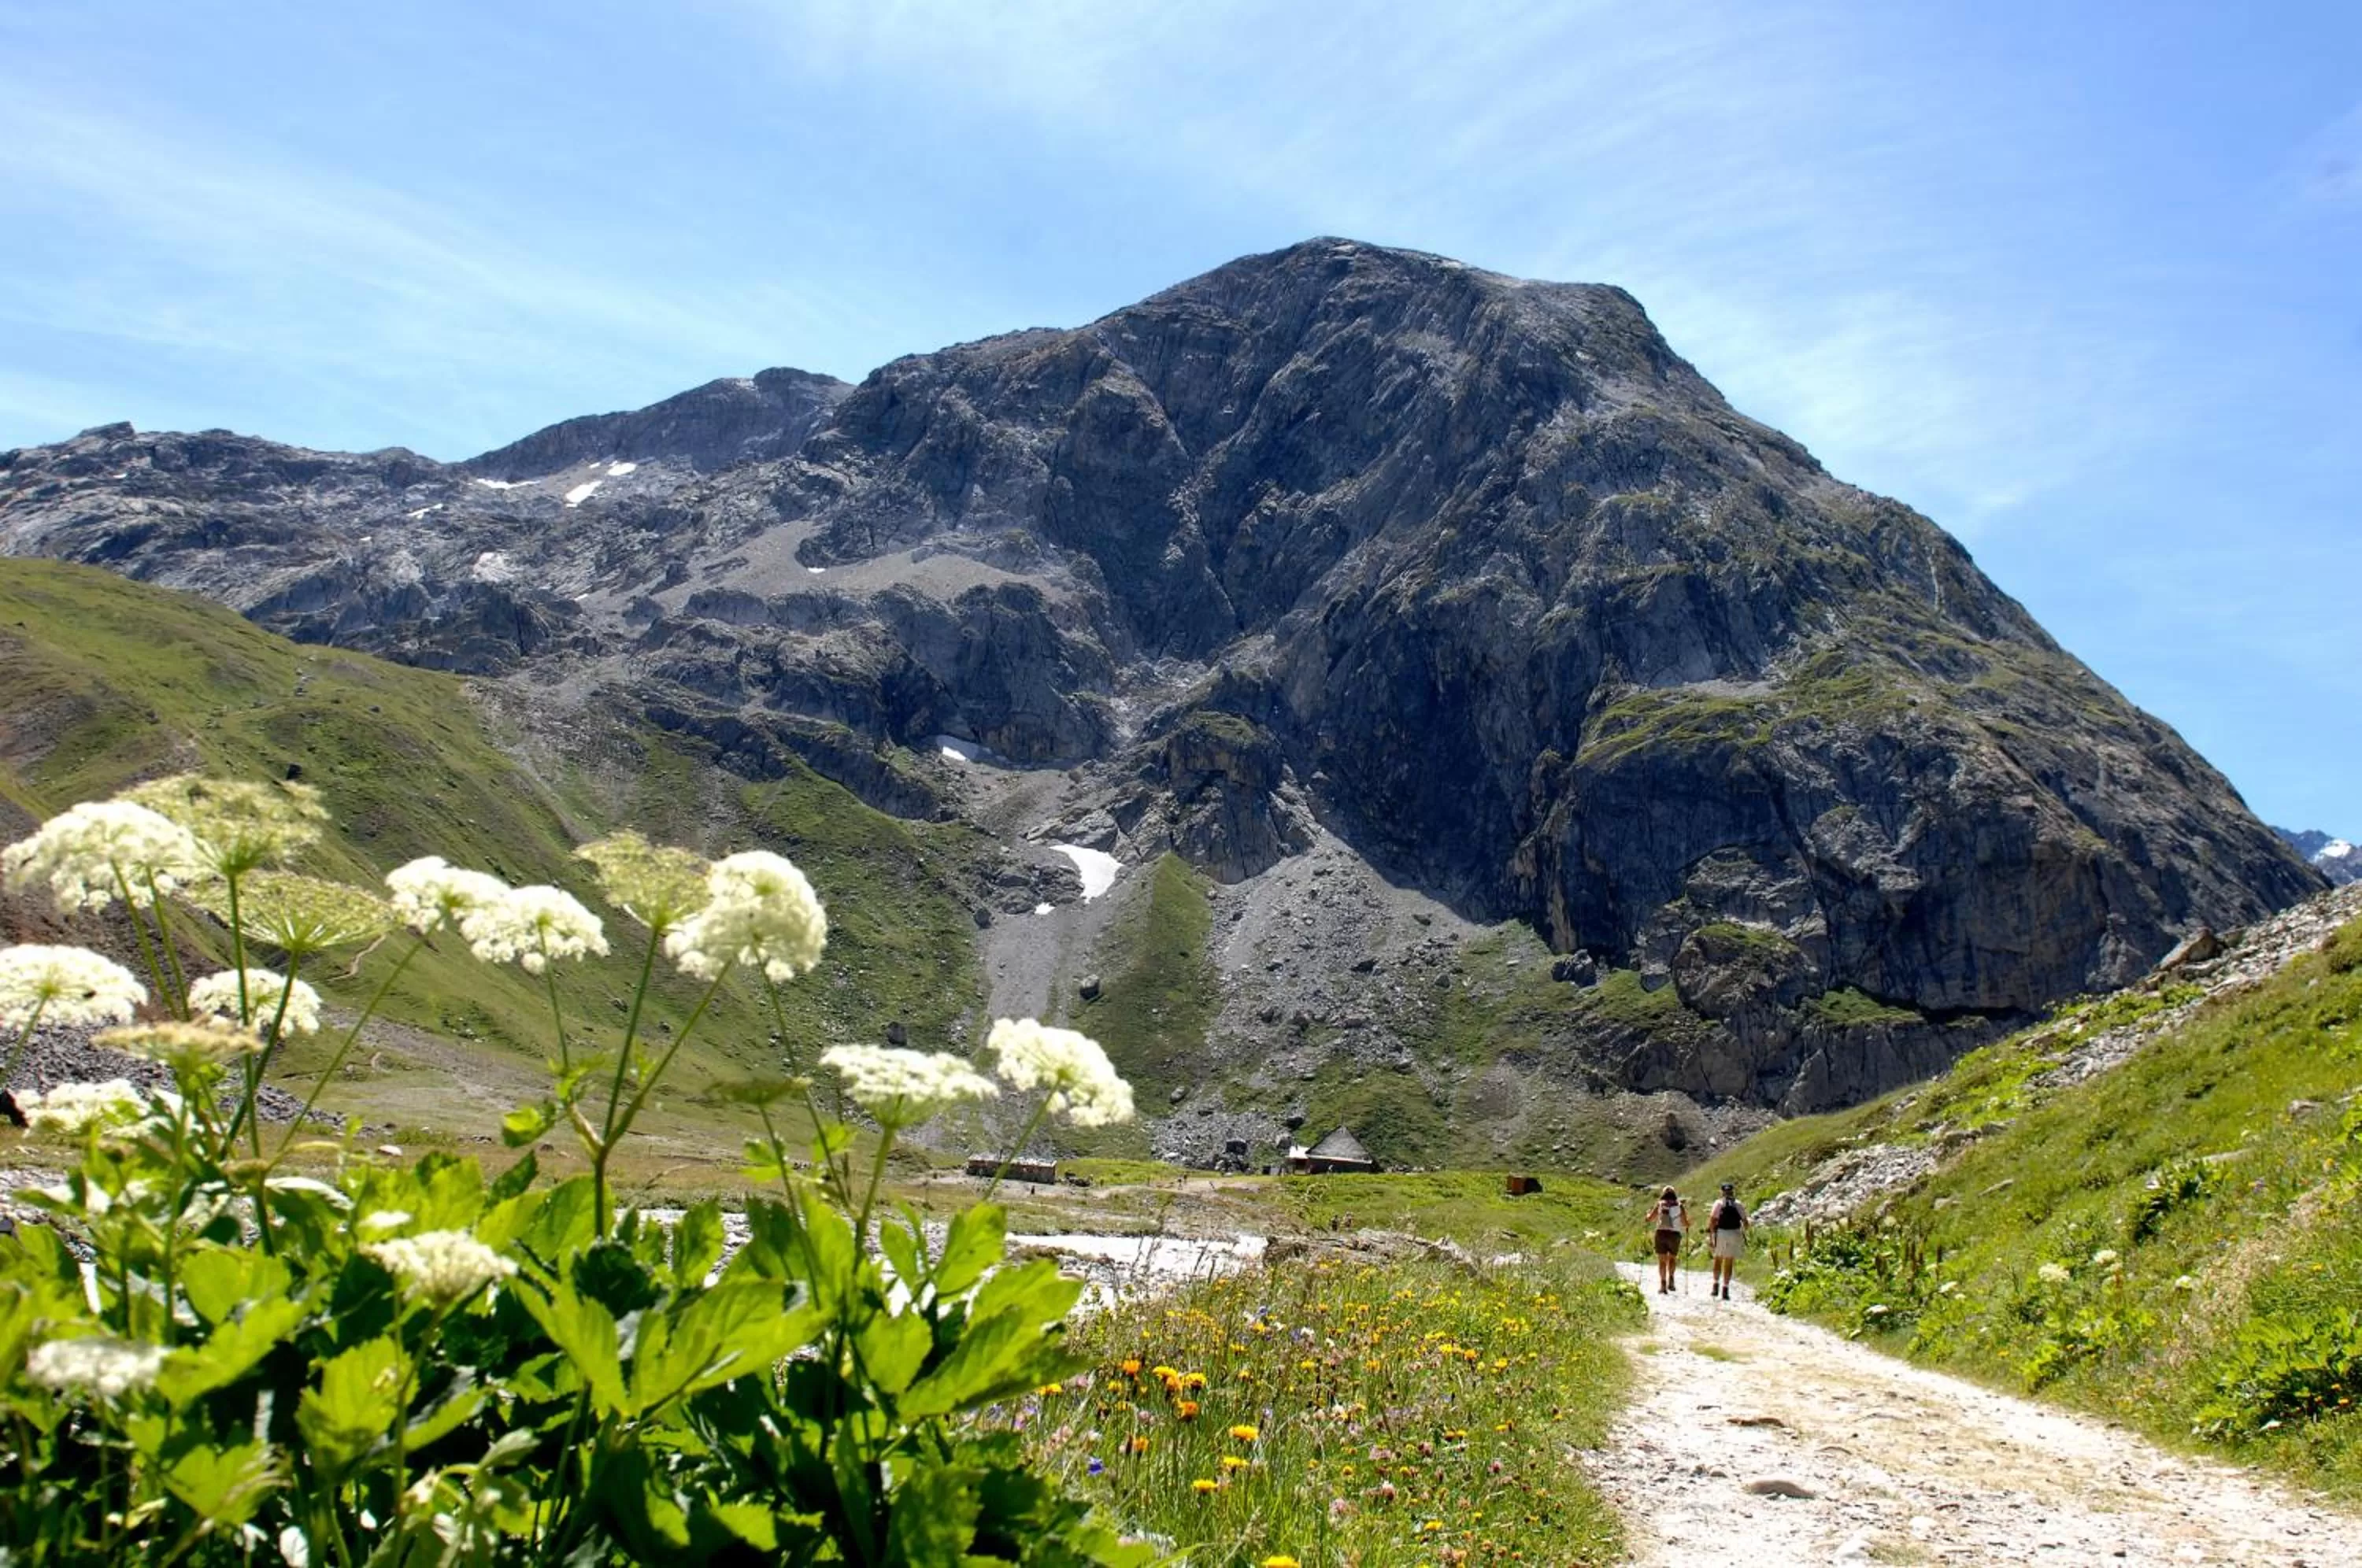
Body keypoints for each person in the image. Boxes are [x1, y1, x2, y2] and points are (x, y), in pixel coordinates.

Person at [1707, 1181, 1748, 1300]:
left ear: (1722, 1192)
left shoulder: (1718, 1203)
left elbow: (1712, 1220)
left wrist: (1711, 1236)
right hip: (1735, 1233)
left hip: (1721, 1233)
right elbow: (1745, 1222)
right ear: (1732, 1191)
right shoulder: (1738, 1204)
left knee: (1718, 1259)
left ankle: (1715, 1286)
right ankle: (1725, 1289)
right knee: (1729, 1261)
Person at [1645, 1186, 1687, 1293]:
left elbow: (1650, 1218)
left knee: (1662, 1261)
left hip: (1661, 1233)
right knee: (1672, 1258)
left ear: (1663, 1194)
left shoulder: (1660, 1204)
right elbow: (1684, 1223)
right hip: (1674, 1235)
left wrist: (1647, 1215)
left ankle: (1663, 1284)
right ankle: (1671, 1279)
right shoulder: (1679, 1205)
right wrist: (1688, 1224)